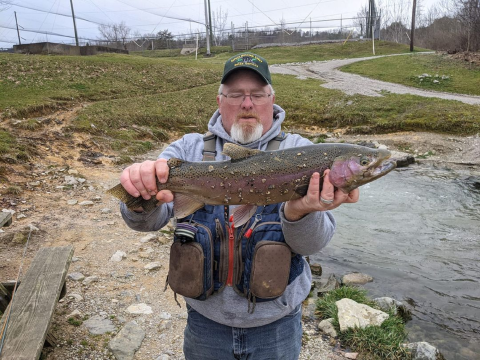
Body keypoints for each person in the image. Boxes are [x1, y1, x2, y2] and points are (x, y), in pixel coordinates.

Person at [118, 52, 359, 360]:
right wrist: (139, 198)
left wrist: (299, 211)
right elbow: (146, 222)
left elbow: (313, 243)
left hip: (277, 327)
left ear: (271, 101)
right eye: (236, 95)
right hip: (205, 325)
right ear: (220, 101)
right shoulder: (186, 151)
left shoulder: (302, 153)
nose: (247, 104)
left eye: (257, 95)